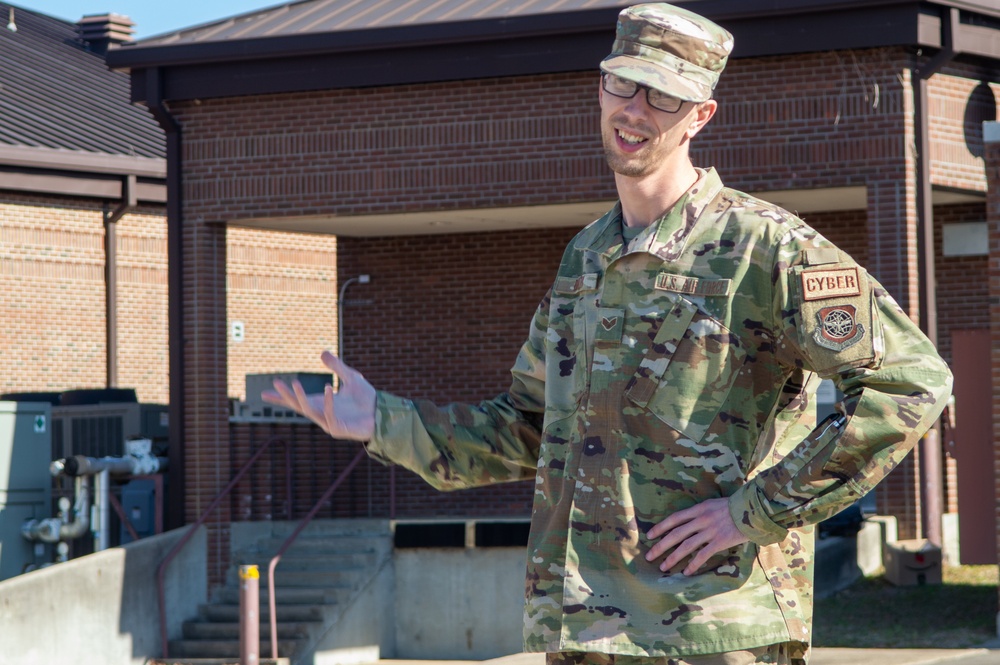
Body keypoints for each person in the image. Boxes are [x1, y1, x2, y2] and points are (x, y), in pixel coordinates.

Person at [263, 4, 953, 665]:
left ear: (700, 117)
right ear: (600, 85)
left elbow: (912, 383)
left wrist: (756, 512)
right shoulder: (586, 259)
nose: (635, 109)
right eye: (623, 82)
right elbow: (526, 430)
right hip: (588, 628)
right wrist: (382, 420)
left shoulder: (764, 249)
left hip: (713, 627)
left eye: (663, 96)